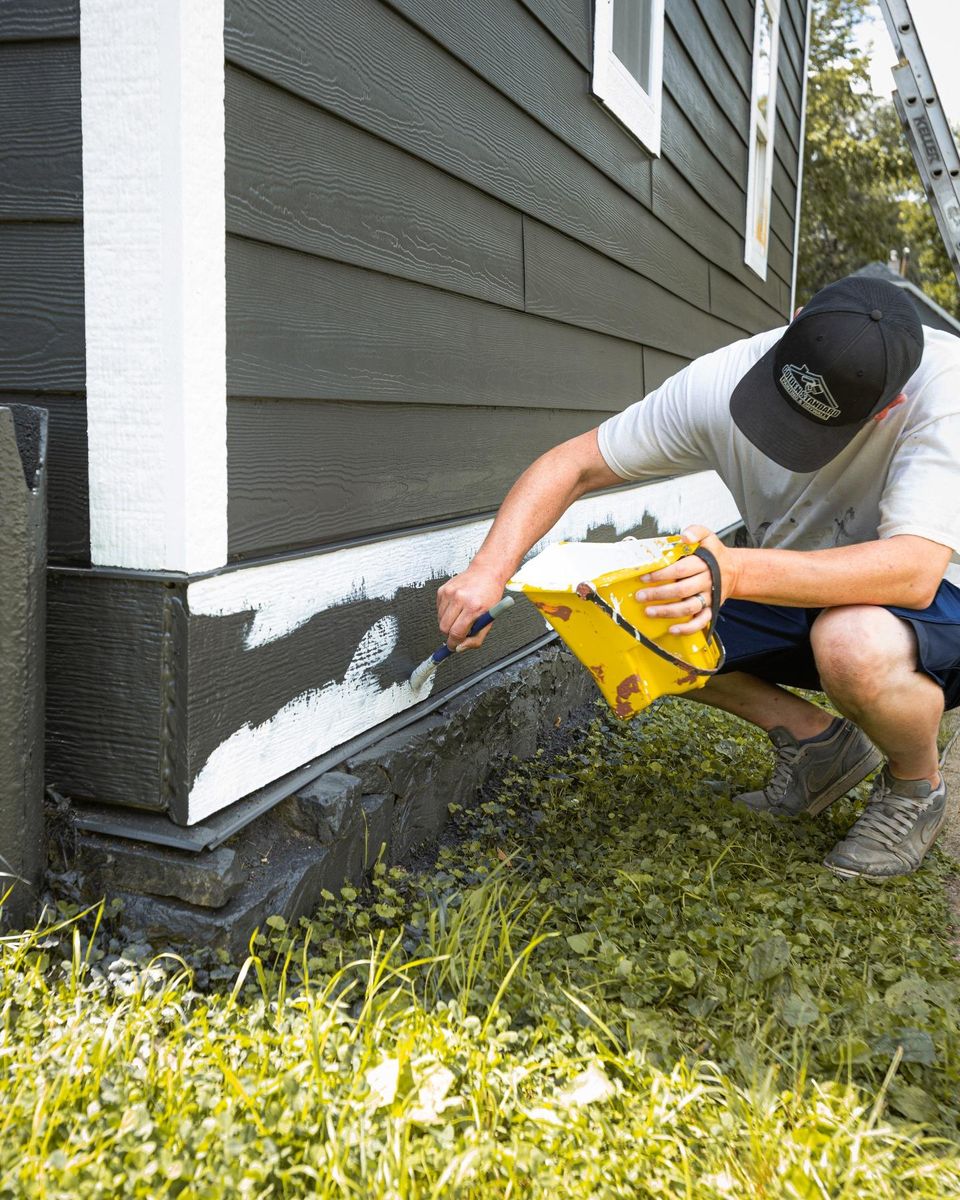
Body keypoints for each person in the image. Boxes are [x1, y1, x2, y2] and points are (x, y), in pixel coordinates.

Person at [436, 274, 960, 880]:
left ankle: (914, 787)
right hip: (799, 584)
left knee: (851, 643)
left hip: (932, 603)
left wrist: (734, 569)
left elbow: (914, 571)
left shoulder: (944, 396)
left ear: (889, 406)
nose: (786, 444)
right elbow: (574, 464)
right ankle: (821, 747)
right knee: (623, 611)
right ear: (791, 325)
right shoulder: (721, 378)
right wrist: (487, 570)